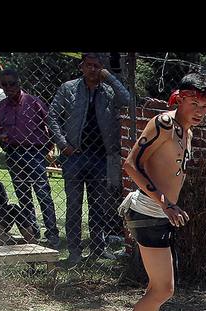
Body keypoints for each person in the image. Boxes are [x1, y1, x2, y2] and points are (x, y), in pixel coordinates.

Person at [111, 74, 206, 311]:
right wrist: (165, 203)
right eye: (193, 104)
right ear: (179, 99)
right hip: (148, 212)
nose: (199, 112)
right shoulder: (163, 124)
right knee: (164, 289)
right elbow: (131, 164)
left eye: (204, 107)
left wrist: (168, 206)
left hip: (161, 213)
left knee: (156, 286)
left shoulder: (186, 131)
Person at [48, 52, 133, 266]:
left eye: (97, 66)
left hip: (100, 157)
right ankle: (74, 252)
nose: (92, 69)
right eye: (88, 65)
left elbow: (127, 100)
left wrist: (110, 77)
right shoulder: (69, 88)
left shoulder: (108, 90)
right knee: (74, 206)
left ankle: (97, 249)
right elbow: (52, 116)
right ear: (81, 66)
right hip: (74, 157)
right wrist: (63, 144)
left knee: (98, 206)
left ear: (102, 68)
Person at [0, 69, 61, 248]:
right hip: (13, 153)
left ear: (19, 83)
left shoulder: (34, 102)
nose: (9, 88)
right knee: (23, 195)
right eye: (4, 84)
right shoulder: (0, 107)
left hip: (35, 152)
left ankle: (52, 233)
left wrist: (46, 147)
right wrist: (4, 143)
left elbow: (50, 124)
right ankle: (33, 232)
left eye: (12, 84)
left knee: (43, 194)